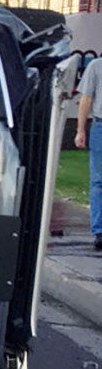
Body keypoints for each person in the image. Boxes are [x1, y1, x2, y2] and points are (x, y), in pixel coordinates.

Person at [75, 57, 102, 249]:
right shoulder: (96, 67)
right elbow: (86, 99)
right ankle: (99, 230)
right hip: (100, 125)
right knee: (99, 180)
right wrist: (80, 130)